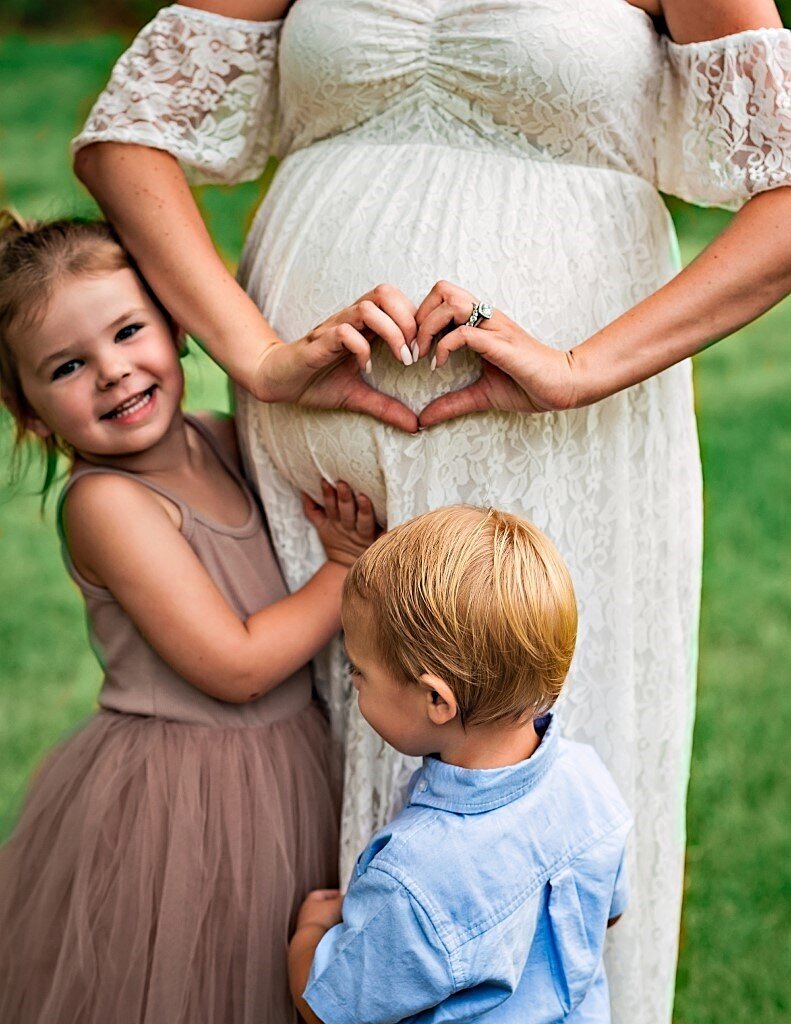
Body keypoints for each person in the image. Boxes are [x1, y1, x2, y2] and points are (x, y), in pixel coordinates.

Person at [71, 3, 791, 1020]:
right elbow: (126, 139)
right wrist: (256, 352)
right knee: (310, 823)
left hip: (560, 457)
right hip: (322, 481)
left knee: (537, 798)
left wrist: (582, 366)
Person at [0, 213, 381, 1024]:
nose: (112, 372)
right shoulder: (108, 504)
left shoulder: (218, 439)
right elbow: (235, 666)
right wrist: (344, 568)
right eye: (67, 365)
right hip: (178, 802)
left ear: (176, 328)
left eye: (127, 331)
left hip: (289, 770)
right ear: (28, 411)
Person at [288, 505, 632, 1024]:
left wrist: (309, 935)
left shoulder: (414, 879)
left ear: (436, 701)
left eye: (359, 670)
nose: (352, 680)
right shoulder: (588, 779)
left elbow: (327, 1012)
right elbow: (610, 911)